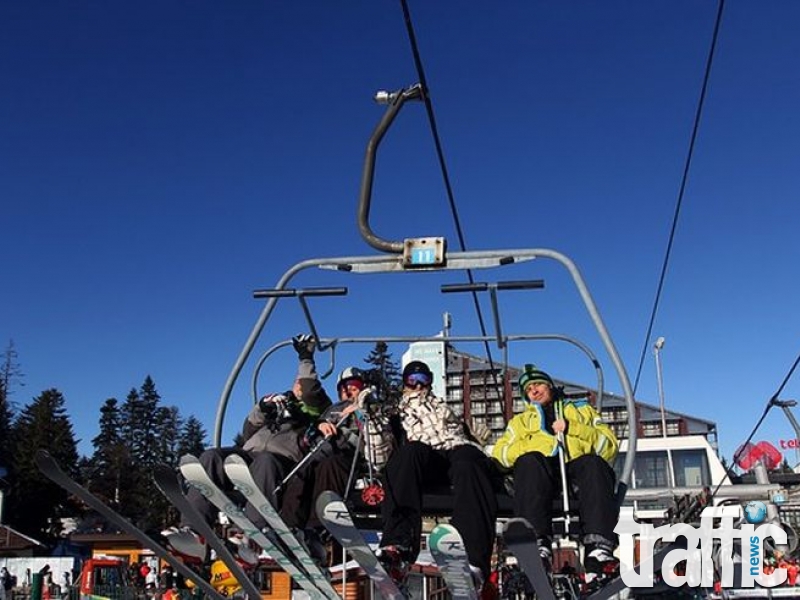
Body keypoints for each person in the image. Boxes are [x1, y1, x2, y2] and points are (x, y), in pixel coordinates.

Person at [162, 334, 332, 562]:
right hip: (248, 455)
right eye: (296, 383)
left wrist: (305, 358)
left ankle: (252, 532)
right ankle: (194, 531)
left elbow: (310, 388)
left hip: (282, 461)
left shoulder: (315, 409)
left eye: (301, 382)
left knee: (265, 462)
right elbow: (248, 430)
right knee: (211, 457)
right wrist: (263, 408)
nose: (299, 386)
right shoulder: (281, 404)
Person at [376, 360, 498, 593]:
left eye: (424, 380)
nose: (419, 386)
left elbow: (465, 436)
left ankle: (471, 562)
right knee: (411, 451)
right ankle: (398, 545)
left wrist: (476, 439)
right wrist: (374, 419)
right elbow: (379, 455)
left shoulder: (445, 408)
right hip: (423, 464)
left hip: (454, 454)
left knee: (469, 460)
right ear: (405, 383)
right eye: (413, 381)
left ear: (431, 382)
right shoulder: (395, 412)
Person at [492, 364, 620, 580]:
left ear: (550, 386)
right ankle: (536, 544)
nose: (534, 390)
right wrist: (532, 446)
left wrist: (573, 428)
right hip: (539, 479)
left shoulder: (583, 411)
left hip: (575, 479)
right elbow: (500, 456)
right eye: (528, 388)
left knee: (593, 464)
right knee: (530, 461)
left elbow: (608, 446)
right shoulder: (520, 423)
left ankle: (598, 548)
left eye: (538, 384)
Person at [279, 365, 395, 562]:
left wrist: (361, 411)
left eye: (354, 385)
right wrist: (320, 425)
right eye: (343, 387)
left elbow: (379, 435)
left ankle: (316, 530)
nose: (348, 391)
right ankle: (289, 528)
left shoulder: (370, 405)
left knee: (330, 466)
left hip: (349, 455)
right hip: (320, 450)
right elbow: (313, 425)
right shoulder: (332, 409)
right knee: (301, 470)